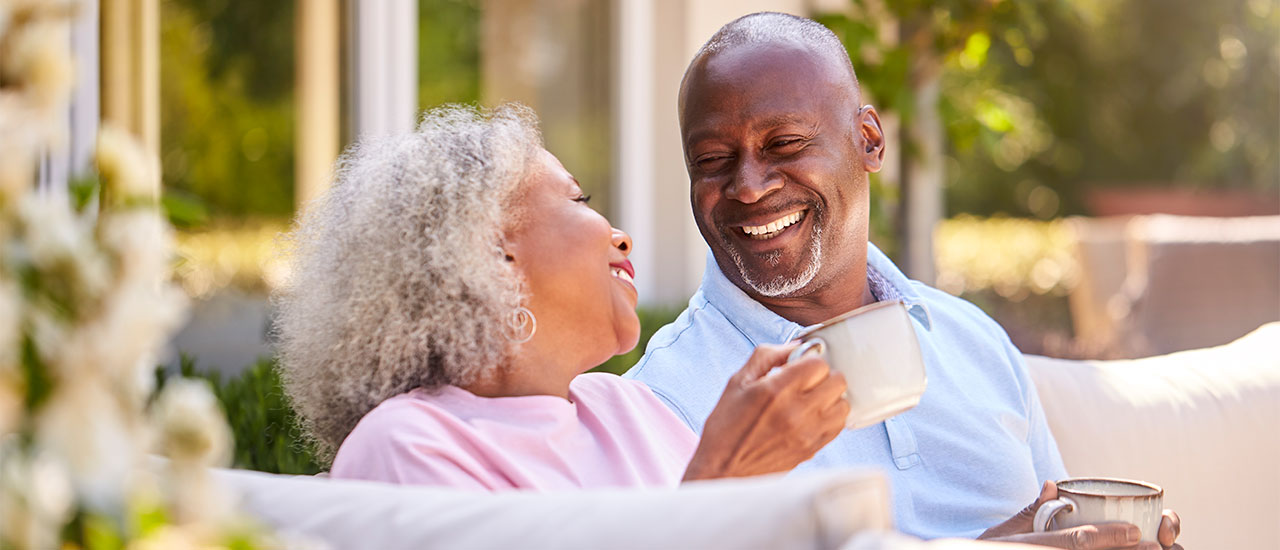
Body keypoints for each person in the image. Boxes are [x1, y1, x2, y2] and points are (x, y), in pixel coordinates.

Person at [623, 12, 1182, 549]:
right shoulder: (665, 399)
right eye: (713, 159)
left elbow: (1057, 516)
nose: (747, 186)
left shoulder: (972, 341)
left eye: (785, 144)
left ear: (869, 139)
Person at [273, 104, 850, 491]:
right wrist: (723, 480)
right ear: (489, 256)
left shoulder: (631, 410)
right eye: (577, 201)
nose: (621, 235)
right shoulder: (407, 446)